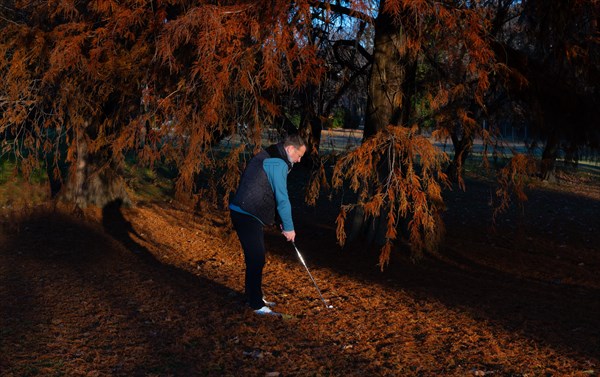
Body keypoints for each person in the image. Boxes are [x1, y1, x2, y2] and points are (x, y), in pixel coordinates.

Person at [229, 134, 307, 316]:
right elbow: (282, 197)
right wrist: (289, 227)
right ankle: (256, 304)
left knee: (255, 258)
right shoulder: (277, 163)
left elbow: (269, 191)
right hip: (246, 213)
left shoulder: (273, 155)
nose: (300, 159)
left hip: (246, 211)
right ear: (289, 149)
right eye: (299, 155)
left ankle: (253, 295)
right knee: (257, 258)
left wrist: (280, 221)